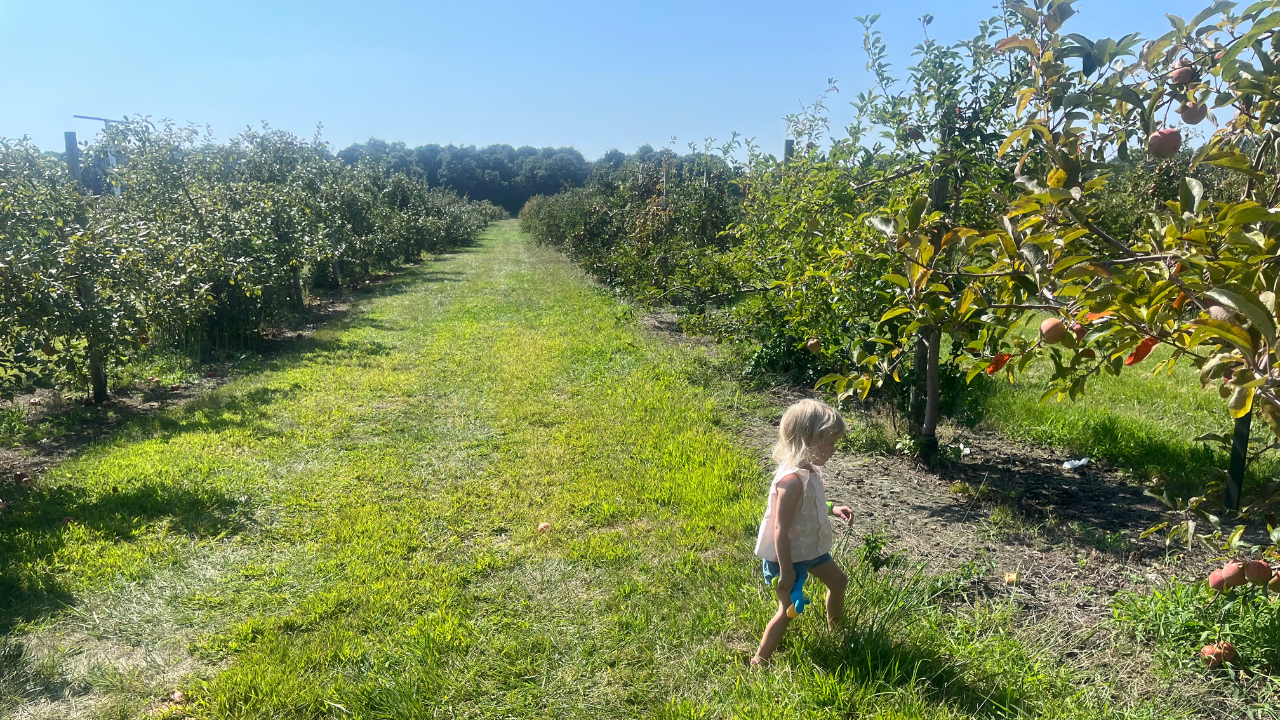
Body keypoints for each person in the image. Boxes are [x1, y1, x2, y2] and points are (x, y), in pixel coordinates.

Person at [751, 398, 852, 666]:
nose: (833, 449)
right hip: (787, 558)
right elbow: (780, 529)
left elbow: (810, 506)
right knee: (789, 610)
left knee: (839, 582)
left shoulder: (811, 470)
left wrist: (833, 508)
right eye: (830, 443)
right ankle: (760, 659)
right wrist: (786, 571)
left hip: (811, 549)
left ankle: (836, 632)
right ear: (809, 439)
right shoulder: (791, 482)